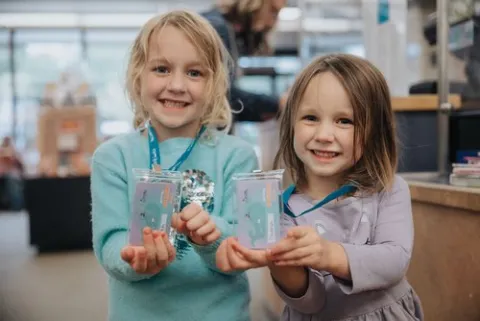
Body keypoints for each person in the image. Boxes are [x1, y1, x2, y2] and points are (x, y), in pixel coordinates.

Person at [216, 53, 424, 321]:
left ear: (374, 131)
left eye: (344, 121)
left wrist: (328, 254)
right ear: (291, 124)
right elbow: (311, 301)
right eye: (311, 118)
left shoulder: (389, 189)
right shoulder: (279, 209)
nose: (324, 136)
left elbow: (393, 261)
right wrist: (276, 260)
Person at [90, 10, 258, 321]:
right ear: (138, 76)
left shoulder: (239, 156)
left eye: (195, 73)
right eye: (162, 69)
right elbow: (110, 240)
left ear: (215, 83)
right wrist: (134, 257)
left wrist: (213, 235)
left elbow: (245, 246)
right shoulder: (112, 157)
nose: (177, 85)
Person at [202, 0, 287, 123]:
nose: (272, 21)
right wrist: (276, 104)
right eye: (272, 11)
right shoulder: (217, 28)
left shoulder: (226, 30)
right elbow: (223, 97)